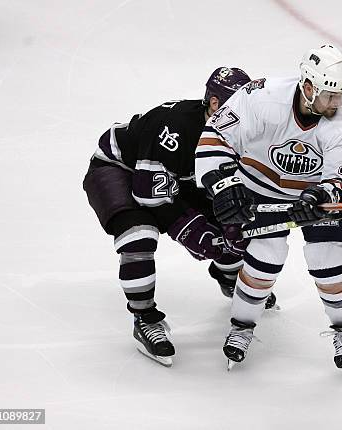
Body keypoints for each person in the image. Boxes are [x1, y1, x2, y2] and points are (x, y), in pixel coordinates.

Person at [83, 67, 276, 367]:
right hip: (121, 170)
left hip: (178, 177)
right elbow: (150, 195)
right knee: (139, 235)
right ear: (214, 104)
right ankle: (144, 317)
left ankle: (227, 276)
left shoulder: (237, 129)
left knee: (232, 220)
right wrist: (192, 232)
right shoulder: (173, 128)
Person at [195, 45, 342, 375]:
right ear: (308, 87)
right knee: (266, 251)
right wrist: (222, 185)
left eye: (341, 95)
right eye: (331, 95)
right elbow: (215, 138)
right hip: (262, 185)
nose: (338, 103)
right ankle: (242, 327)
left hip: (315, 191)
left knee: (327, 255)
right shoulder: (261, 97)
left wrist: (321, 198)